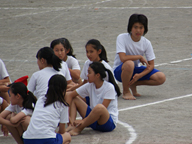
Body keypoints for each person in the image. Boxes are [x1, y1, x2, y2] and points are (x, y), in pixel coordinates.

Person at [113, 13, 166, 100]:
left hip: (134, 71)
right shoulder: (121, 37)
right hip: (120, 70)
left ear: (145, 29)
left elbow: (151, 65)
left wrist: (140, 75)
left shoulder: (146, 43)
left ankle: (133, 83)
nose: (138, 30)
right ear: (130, 28)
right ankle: (126, 91)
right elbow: (123, 58)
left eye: (141, 27)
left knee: (161, 77)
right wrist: (139, 57)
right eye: (135, 27)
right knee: (129, 63)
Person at [66, 62, 121, 136]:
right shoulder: (89, 85)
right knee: (74, 98)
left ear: (97, 75)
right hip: (93, 120)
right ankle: (71, 125)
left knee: (99, 107)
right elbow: (69, 95)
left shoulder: (109, 87)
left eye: (89, 72)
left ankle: (79, 128)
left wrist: (83, 121)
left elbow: (103, 108)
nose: (87, 75)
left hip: (107, 123)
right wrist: (67, 115)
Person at [23, 74, 71, 144]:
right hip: (47, 140)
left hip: (28, 139)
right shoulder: (63, 105)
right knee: (67, 136)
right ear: (64, 90)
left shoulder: (40, 99)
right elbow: (62, 131)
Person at [69, 39, 116, 104]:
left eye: (91, 52)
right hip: (90, 94)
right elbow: (84, 83)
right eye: (87, 52)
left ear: (99, 51)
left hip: (101, 98)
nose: (88, 54)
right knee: (70, 94)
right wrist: (71, 90)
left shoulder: (105, 67)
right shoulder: (87, 63)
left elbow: (107, 87)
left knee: (74, 96)